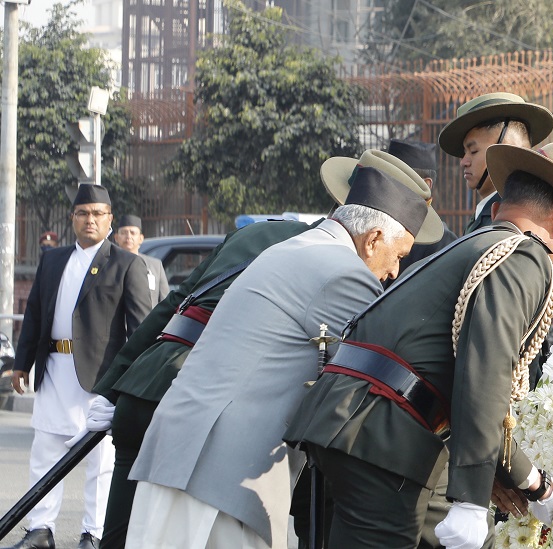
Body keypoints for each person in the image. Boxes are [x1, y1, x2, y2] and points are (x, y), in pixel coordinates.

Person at [88, 149, 437, 549]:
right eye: (399, 256)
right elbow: (379, 375)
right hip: (221, 479)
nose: (394, 272)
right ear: (374, 239)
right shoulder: (347, 274)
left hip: (182, 457)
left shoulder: (291, 248)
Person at [284, 141, 553, 548]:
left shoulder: (468, 246)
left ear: (496, 209)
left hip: (352, 426)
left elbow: (468, 394)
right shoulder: (524, 255)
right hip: (384, 442)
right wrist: (471, 501)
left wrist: (535, 483)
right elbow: (485, 369)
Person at [6, 184, 155, 549]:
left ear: (110, 220)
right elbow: (35, 314)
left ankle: (94, 532)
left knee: (100, 460)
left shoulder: (126, 264)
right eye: (83, 213)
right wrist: (21, 363)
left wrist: (131, 381)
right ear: (73, 218)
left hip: (101, 378)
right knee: (45, 449)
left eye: (97, 214)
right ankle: (40, 529)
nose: (90, 220)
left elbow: (140, 330)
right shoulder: (53, 259)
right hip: (54, 368)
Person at [436, 92, 553, 234]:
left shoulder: (510, 219)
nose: (464, 162)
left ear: (505, 150)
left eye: (473, 151)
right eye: (464, 153)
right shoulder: (485, 214)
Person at [385, 138, 457, 284]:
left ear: (425, 185)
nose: (386, 185)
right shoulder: (379, 226)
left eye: (396, 179)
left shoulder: (442, 243)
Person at [113, 215, 169, 303]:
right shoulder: (109, 264)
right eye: (124, 232)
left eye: (133, 233)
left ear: (141, 238)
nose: (128, 236)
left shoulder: (155, 266)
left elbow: (165, 301)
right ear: (116, 237)